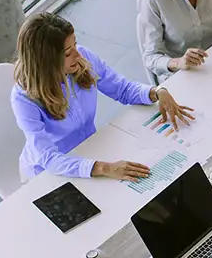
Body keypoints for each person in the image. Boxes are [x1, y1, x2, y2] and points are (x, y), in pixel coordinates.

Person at [11, 13, 194, 182]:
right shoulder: (23, 99)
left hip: (91, 152)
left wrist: (157, 92)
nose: (77, 54)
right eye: (67, 53)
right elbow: (48, 158)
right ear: (46, 61)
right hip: (50, 174)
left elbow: (121, 89)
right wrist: (104, 168)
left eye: (75, 45)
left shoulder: (82, 58)